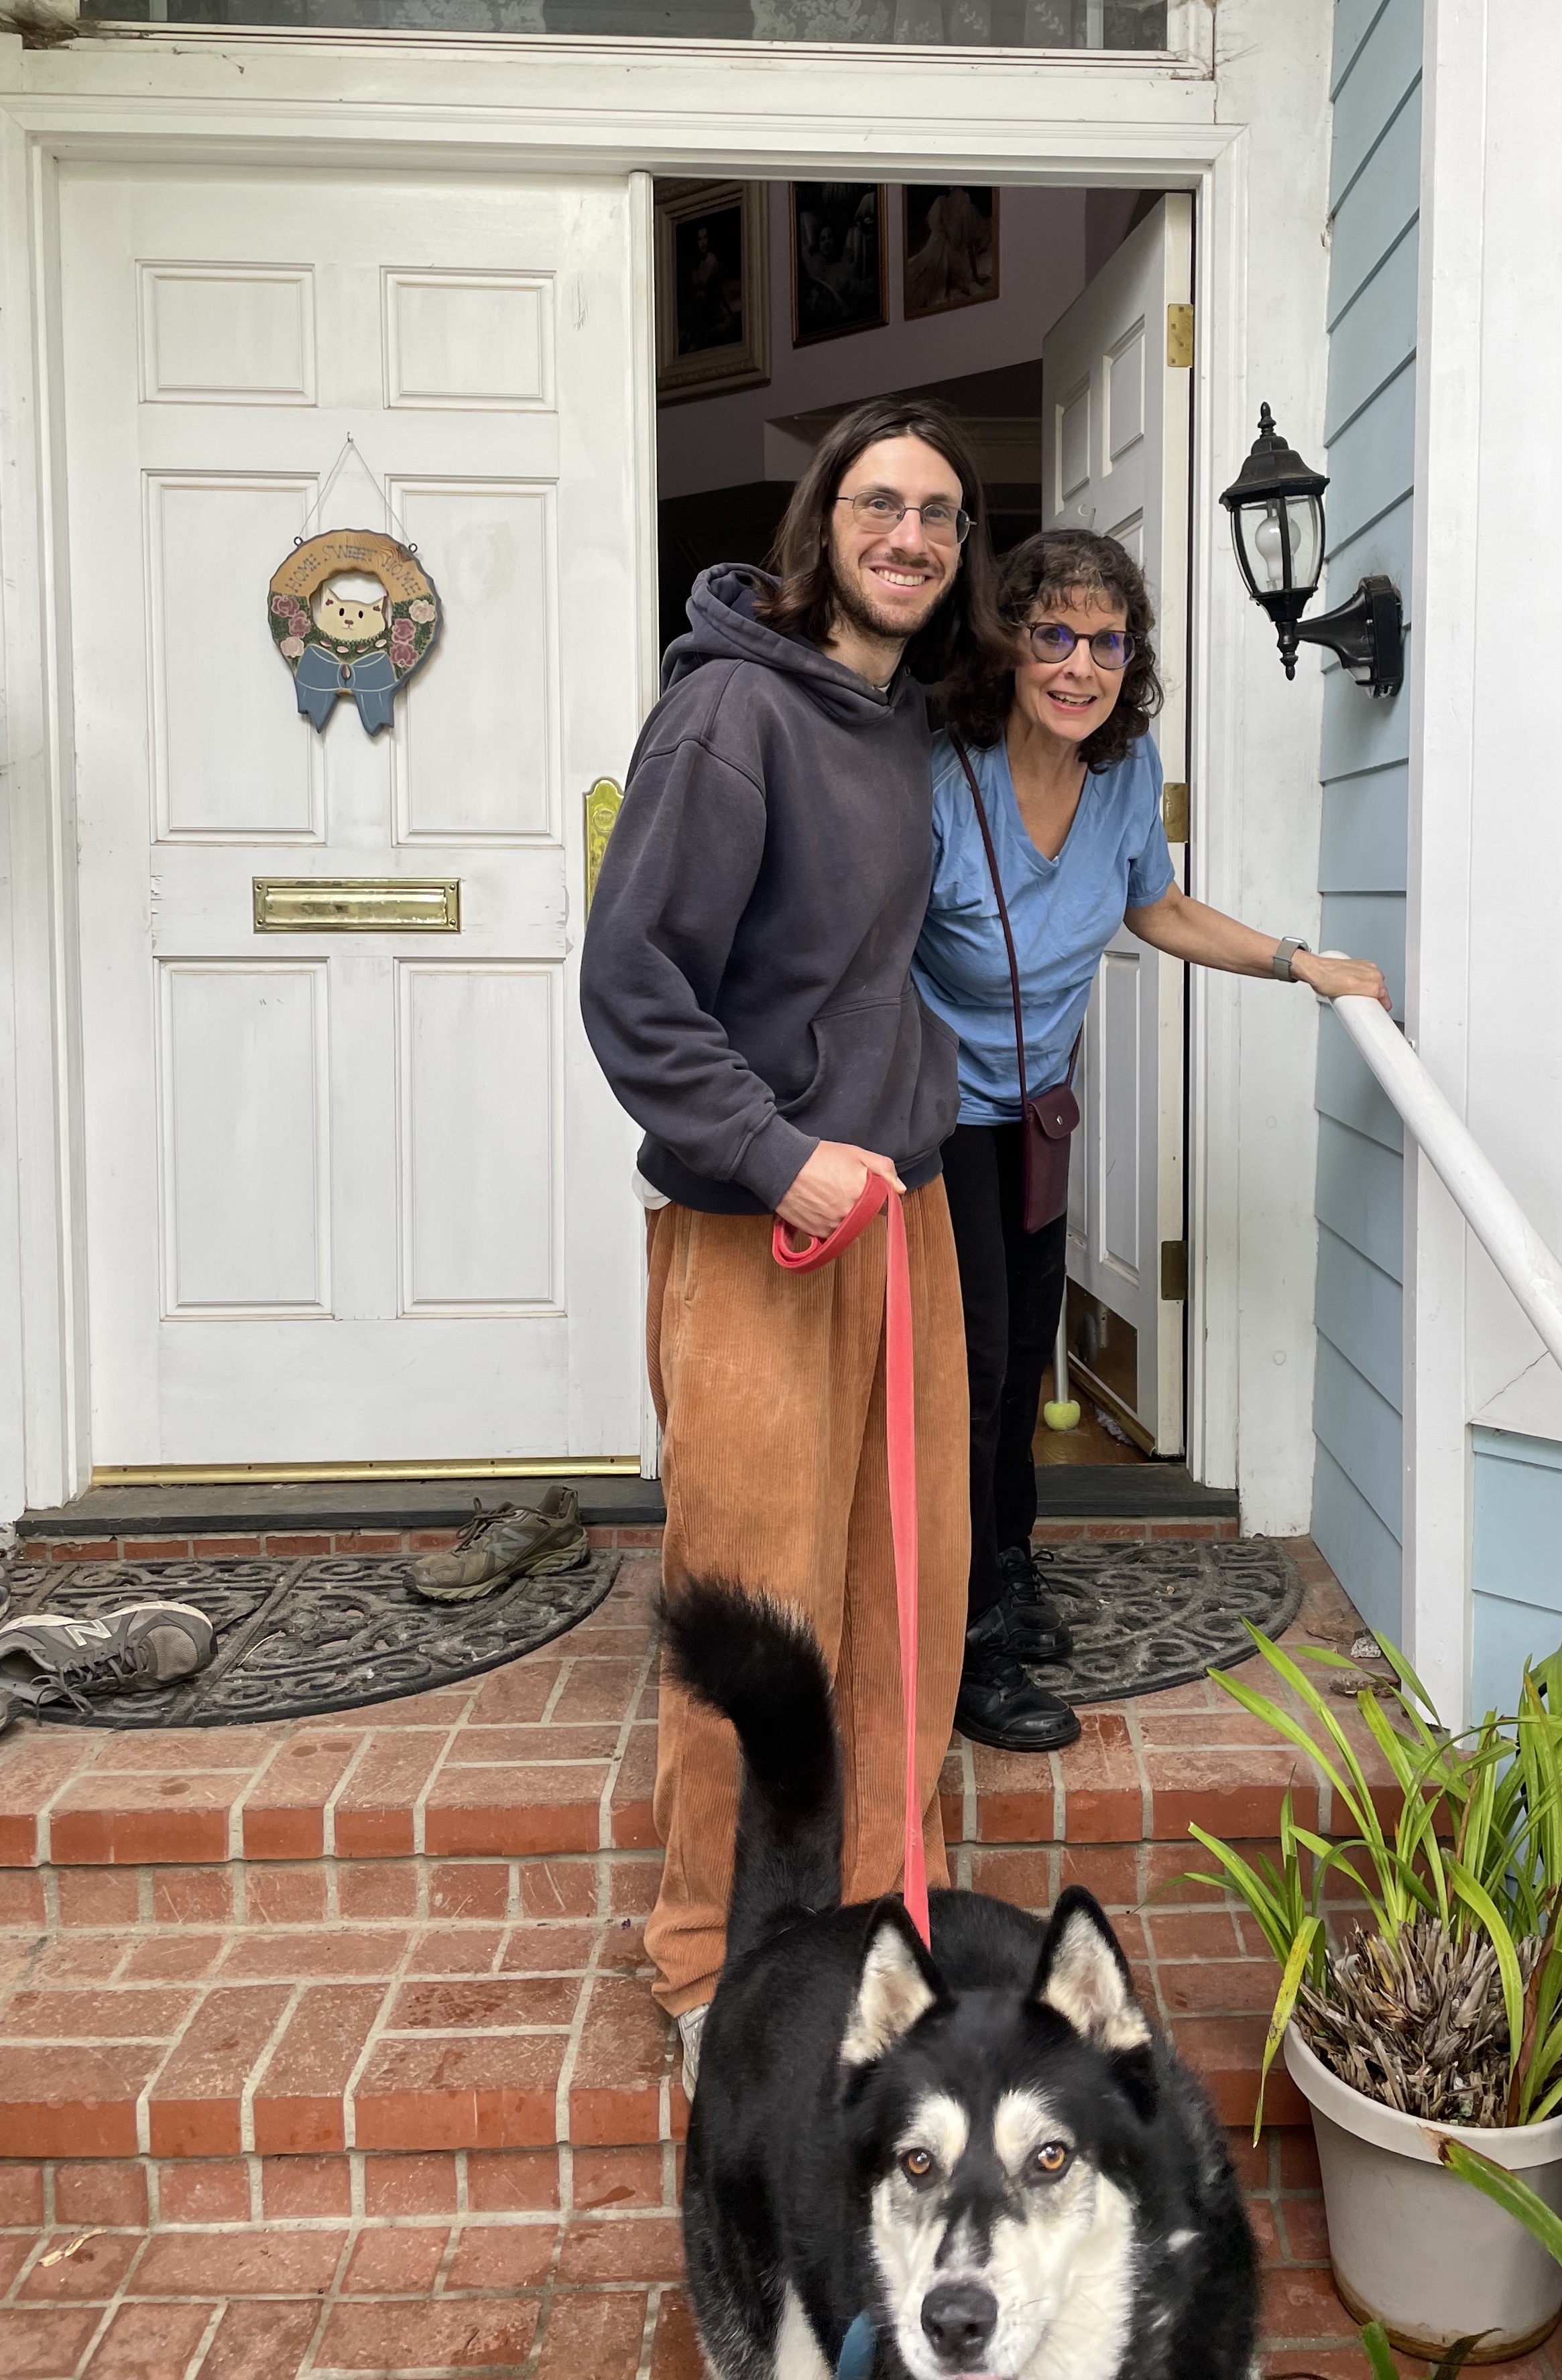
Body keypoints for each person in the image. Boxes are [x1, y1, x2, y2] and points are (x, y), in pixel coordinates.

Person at [579, 397, 1002, 2083]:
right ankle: (719, 1966)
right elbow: (633, 986)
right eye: (881, 503)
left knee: (908, 1599)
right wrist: (773, 1155)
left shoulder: (900, 726)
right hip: (768, 1232)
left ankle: (877, 1932)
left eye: (942, 515)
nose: (912, 536)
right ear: (824, 521)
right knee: (760, 1615)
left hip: (905, 1216)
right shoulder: (728, 716)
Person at [914, 526, 1392, 1752]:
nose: (1081, 666)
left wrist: (1300, 963)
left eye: (1108, 642)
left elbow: (1159, 906)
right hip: (930, 1117)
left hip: (1036, 1109)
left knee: (1021, 1360)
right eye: (1054, 636)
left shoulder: (1125, 771)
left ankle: (1007, 1566)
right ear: (1009, 646)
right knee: (968, 1379)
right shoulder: (938, 768)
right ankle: (960, 1646)